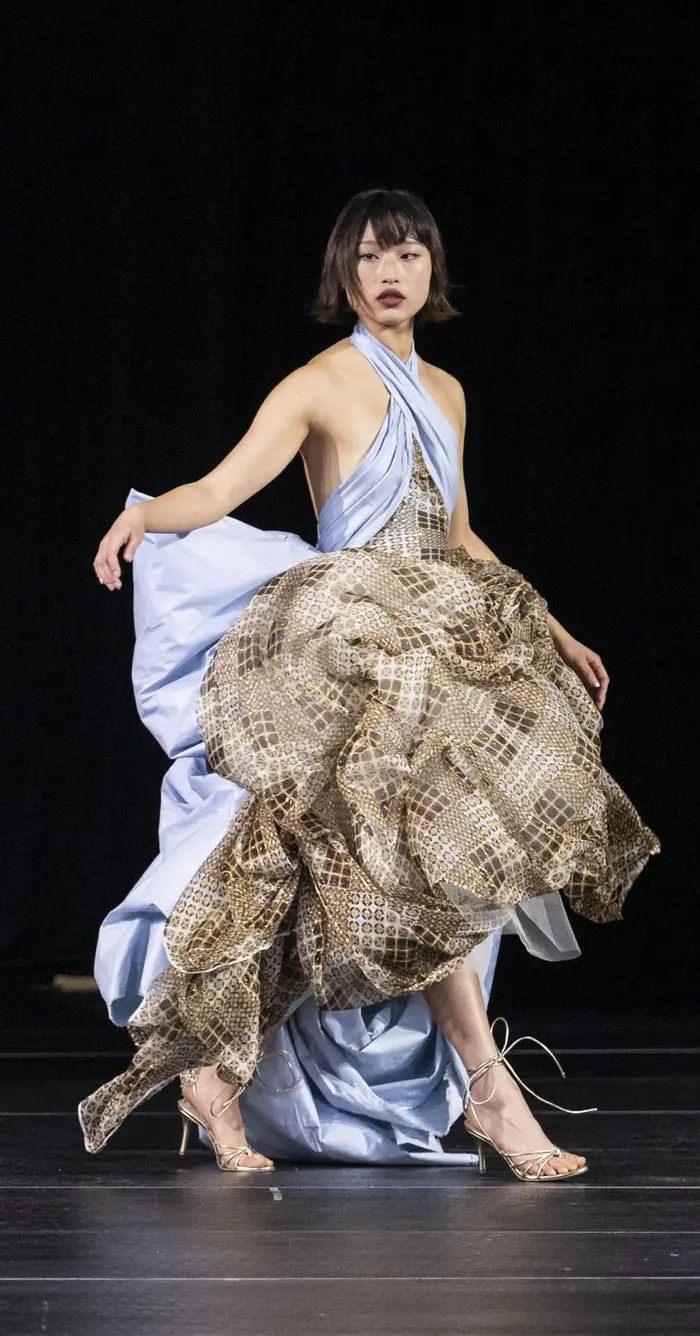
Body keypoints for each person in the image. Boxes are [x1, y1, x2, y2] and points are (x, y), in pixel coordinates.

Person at [80, 186, 660, 1180]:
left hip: (436, 641)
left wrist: (552, 627)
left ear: (432, 272)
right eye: (371, 257)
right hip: (347, 638)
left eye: (410, 256)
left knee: (374, 876)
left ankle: (221, 1079)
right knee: (331, 865)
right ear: (342, 274)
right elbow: (222, 489)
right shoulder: (318, 383)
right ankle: (481, 1087)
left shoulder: (448, 392)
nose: (391, 273)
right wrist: (145, 517)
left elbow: (460, 534)